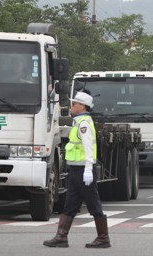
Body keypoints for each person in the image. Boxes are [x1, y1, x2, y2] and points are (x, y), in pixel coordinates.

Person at [43, 91, 111, 248]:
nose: (72, 106)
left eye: (74, 104)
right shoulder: (78, 122)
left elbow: (88, 148)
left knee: (93, 203)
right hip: (76, 170)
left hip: (83, 171)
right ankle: (61, 237)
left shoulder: (84, 124)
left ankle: (103, 237)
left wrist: (88, 169)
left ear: (82, 106)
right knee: (70, 203)